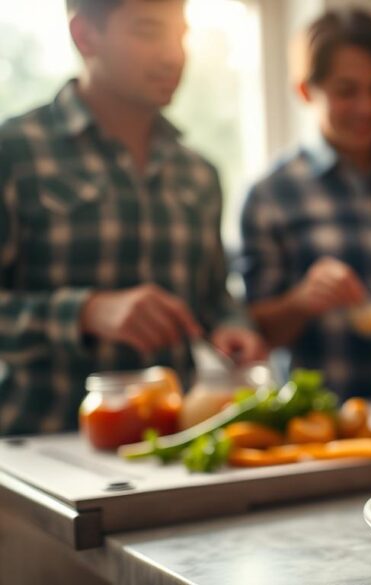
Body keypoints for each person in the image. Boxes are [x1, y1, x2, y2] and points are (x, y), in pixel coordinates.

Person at [0, 0, 265, 435]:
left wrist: (233, 328)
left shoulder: (199, 172)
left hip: (172, 450)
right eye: (148, 31)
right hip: (40, 448)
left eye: (181, 35)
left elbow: (214, 296)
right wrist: (86, 312)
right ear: (85, 36)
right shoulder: (14, 152)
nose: (173, 55)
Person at [239, 8, 371, 397]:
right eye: (346, 91)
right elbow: (255, 330)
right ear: (305, 91)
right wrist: (300, 302)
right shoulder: (269, 195)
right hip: (320, 421)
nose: (366, 107)